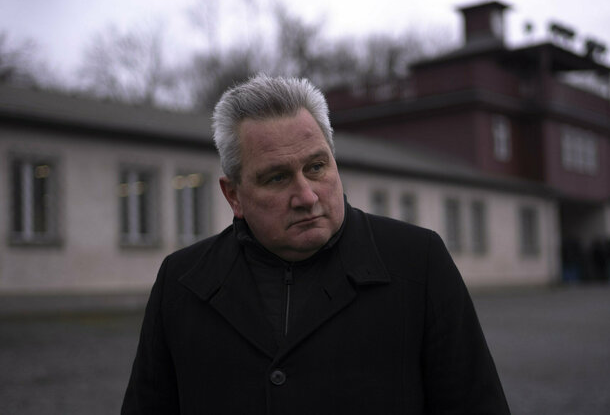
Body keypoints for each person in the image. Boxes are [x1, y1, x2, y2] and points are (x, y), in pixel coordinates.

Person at [122, 75, 510, 415]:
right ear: (234, 196)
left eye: (316, 167)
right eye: (276, 178)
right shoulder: (183, 282)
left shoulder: (417, 262)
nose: (306, 195)